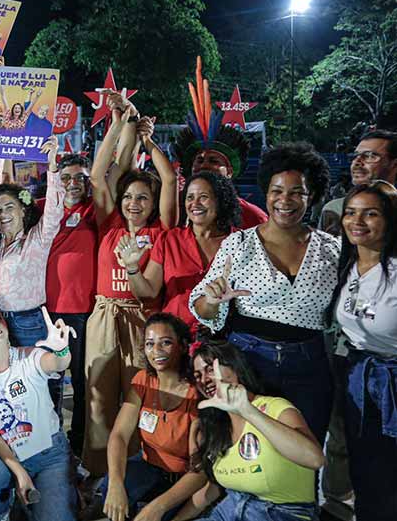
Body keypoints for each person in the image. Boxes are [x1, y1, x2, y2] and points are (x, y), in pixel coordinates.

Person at [190, 142, 337, 444]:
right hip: (248, 362)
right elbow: (202, 307)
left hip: (310, 367)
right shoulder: (238, 244)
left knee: (304, 454)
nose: (286, 200)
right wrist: (212, 300)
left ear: (313, 196)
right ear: (266, 193)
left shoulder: (332, 250)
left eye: (297, 192)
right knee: (246, 450)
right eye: (277, 191)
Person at [83, 95, 178, 476]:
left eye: (142, 197)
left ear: (154, 202)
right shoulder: (110, 226)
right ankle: (97, 473)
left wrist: (147, 141)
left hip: (144, 321)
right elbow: (98, 174)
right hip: (105, 315)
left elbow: (169, 178)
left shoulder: (162, 232)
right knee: (98, 400)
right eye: (127, 197)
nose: (133, 203)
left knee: (142, 397)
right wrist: (118, 122)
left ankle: (139, 474)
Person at [178, 342, 324, 521]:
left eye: (210, 369)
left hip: (280, 513)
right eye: (197, 375)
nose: (204, 379)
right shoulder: (217, 425)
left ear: (235, 367)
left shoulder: (274, 407)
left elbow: (315, 459)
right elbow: (212, 490)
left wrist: (248, 411)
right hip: (229, 509)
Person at [0, 304, 78, 521]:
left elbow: (57, 363)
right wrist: (20, 473)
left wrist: (61, 349)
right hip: (7, 456)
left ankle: (55, 493)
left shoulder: (30, 356)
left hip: (50, 456)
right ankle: (3, 511)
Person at [92, 313, 204, 521]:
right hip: (148, 467)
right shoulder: (143, 380)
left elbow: (199, 472)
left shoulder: (196, 393)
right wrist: (116, 484)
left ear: (181, 346)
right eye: (150, 344)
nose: (157, 351)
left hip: (182, 481)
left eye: (166, 343)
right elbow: (119, 435)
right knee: (111, 487)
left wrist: (157, 507)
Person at [329, 181, 397, 521]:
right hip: (359, 378)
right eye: (351, 213)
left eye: (371, 214)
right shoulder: (346, 266)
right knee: (367, 470)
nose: (358, 221)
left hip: (392, 379)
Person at [0, 136, 65, 418]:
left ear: (22, 209)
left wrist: (52, 165)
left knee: (39, 380)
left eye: (9, 207)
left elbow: (55, 209)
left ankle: (52, 438)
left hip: (30, 321)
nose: (2, 213)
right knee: (5, 384)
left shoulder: (37, 240)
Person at [118, 172, 241, 336]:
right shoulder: (168, 240)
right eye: (190, 197)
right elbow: (147, 294)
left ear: (220, 201)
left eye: (203, 197)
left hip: (226, 338)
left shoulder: (241, 242)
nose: (195, 204)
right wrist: (132, 267)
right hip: (176, 338)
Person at [40, 154, 101, 453]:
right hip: (46, 310)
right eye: (67, 178)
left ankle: (78, 444)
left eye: (81, 178)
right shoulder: (42, 210)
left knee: (80, 383)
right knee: (49, 381)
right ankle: (50, 442)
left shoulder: (95, 209)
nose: (74, 184)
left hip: (82, 311)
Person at [171, 104, 267, 229]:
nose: (204, 165)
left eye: (213, 161)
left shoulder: (253, 217)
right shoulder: (174, 209)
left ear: (229, 172)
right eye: (199, 160)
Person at [319, 129, 397, 236]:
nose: (357, 162)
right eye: (355, 156)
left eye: (369, 156)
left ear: (394, 164)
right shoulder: (334, 209)